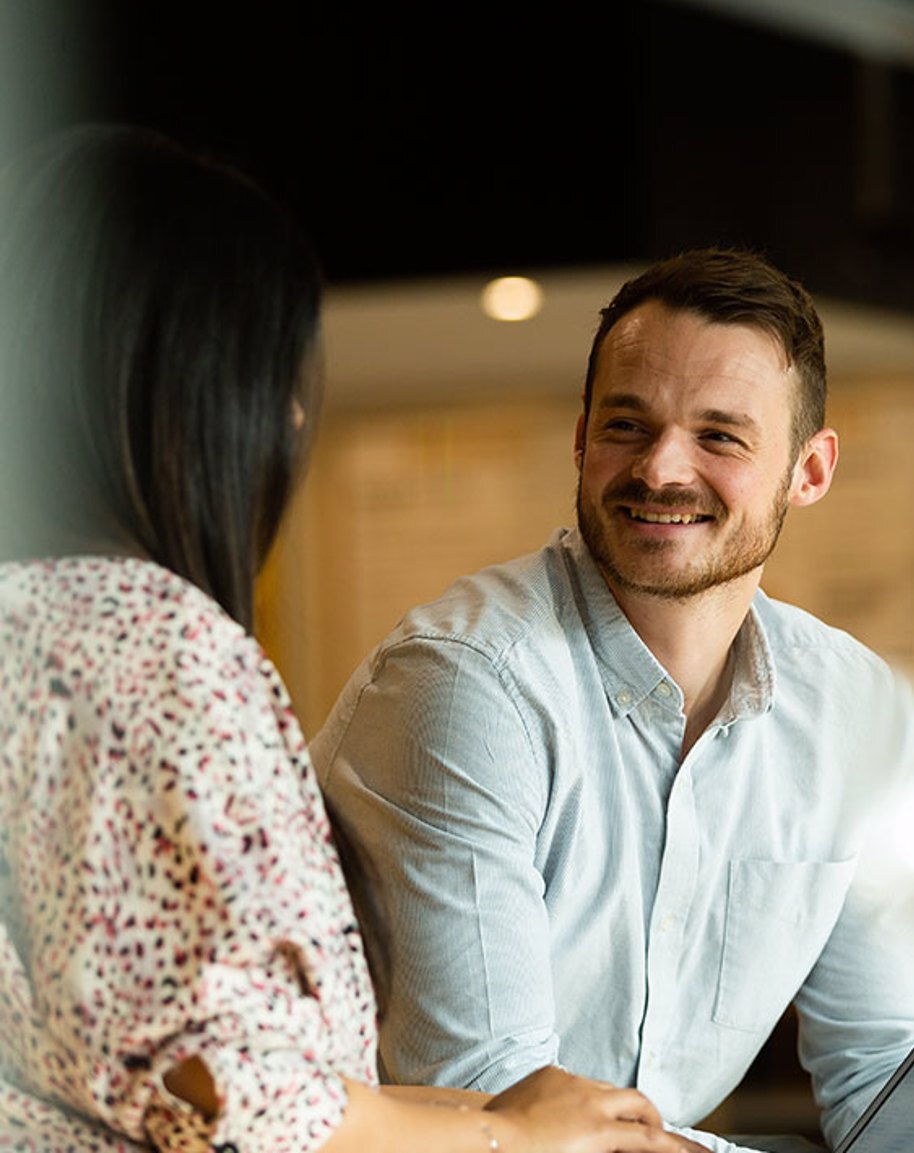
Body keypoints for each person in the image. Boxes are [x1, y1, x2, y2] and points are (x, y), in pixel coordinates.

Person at [0, 125, 689, 1153]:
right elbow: (235, 1094)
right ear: (175, 388)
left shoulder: (29, 629)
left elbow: (116, 1052)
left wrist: (482, 1115)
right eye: (268, 374)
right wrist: (507, 1138)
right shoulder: (160, 643)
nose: (284, 415)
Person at [312, 249, 914, 1153]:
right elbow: (499, 1111)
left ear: (810, 470)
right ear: (580, 438)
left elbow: (899, 1083)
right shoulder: (464, 682)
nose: (661, 469)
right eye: (627, 423)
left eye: (720, 436)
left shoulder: (846, 708)